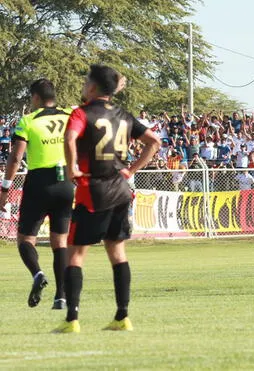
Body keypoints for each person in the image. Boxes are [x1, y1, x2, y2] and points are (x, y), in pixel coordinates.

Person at [53, 65, 160, 333]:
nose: (83, 85)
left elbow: (69, 137)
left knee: (75, 254)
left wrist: (72, 167)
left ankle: (72, 321)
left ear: (92, 87)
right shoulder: (124, 115)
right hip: (121, 191)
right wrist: (131, 171)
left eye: (86, 81)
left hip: (93, 191)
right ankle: (122, 316)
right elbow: (154, 141)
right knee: (118, 253)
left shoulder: (82, 113)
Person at [0, 79, 74, 310]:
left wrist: (4, 189)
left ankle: (37, 273)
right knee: (60, 242)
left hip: (38, 182)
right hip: (65, 182)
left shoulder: (28, 121)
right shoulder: (69, 115)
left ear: (35, 98)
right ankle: (61, 296)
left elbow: (15, 157)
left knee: (25, 239)